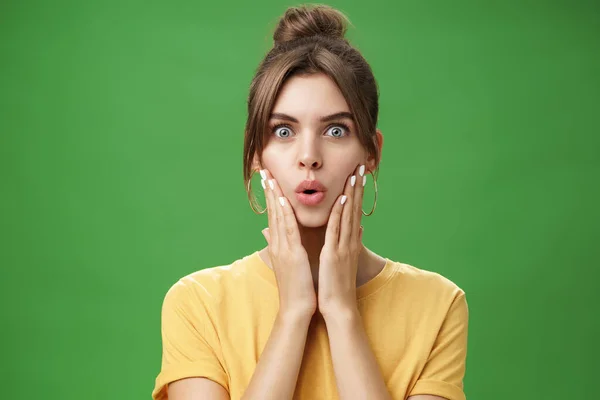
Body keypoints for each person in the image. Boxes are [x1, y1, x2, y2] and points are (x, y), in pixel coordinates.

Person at [152, 4, 468, 400]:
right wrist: (293, 313)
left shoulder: (437, 305)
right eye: (283, 130)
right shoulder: (196, 303)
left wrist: (341, 312)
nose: (309, 156)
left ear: (372, 152)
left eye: (336, 129)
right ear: (254, 153)